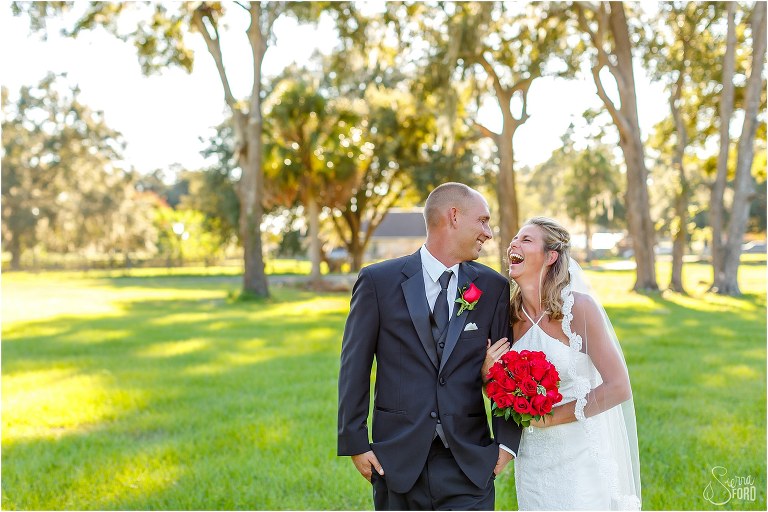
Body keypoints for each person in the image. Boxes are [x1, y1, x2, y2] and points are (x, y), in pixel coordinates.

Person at [338, 182, 522, 510]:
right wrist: (355, 442)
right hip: (397, 458)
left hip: (469, 460)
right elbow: (355, 366)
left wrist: (506, 444)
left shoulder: (493, 287)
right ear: (454, 216)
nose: (488, 233)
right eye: (482, 221)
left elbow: (505, 370)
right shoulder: (378, 282)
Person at [484, 216, 641, 510]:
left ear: (550, 256)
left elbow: (619, 387)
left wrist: (552, 418)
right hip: (532, 458)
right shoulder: (508, 316)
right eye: (514, 239)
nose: (513, 244)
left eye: (526, 239)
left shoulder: (578, 309)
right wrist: (486, 375)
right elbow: (499, 388)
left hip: (579, 455)